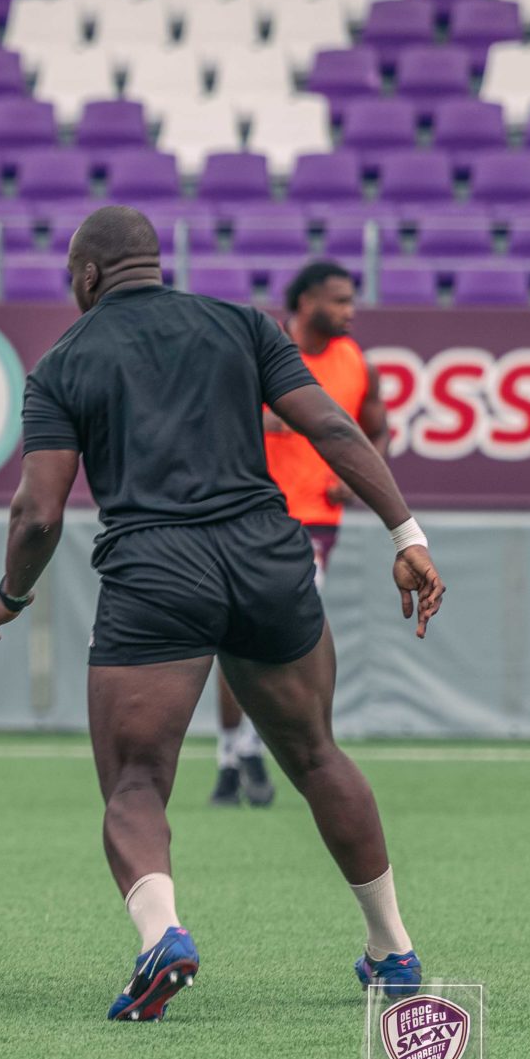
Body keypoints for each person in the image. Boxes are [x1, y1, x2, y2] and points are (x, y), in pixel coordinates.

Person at [0, 205, 443, 1022]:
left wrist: (11, 593)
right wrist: (407, 534)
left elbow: (38, 513)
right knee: (318, 755)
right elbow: (332, 426)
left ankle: (163, 936)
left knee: (135, 783)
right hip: (267, 557)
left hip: (156, 572)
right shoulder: (244, 325)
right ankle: (392, 950)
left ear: (89, 275)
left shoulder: (62, 363)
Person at [209, 259, 388, 808]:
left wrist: (355, 480)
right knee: (233, 634)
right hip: (246, 511)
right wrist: (255, 420)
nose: (350, 311)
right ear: (306, 302)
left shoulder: (356, 363)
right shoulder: (259, 349)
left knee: (276, 634)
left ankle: (248, 749)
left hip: (313, 521)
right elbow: (203, 416)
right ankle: (231, 754)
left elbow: (377, 431)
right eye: (340, 300)